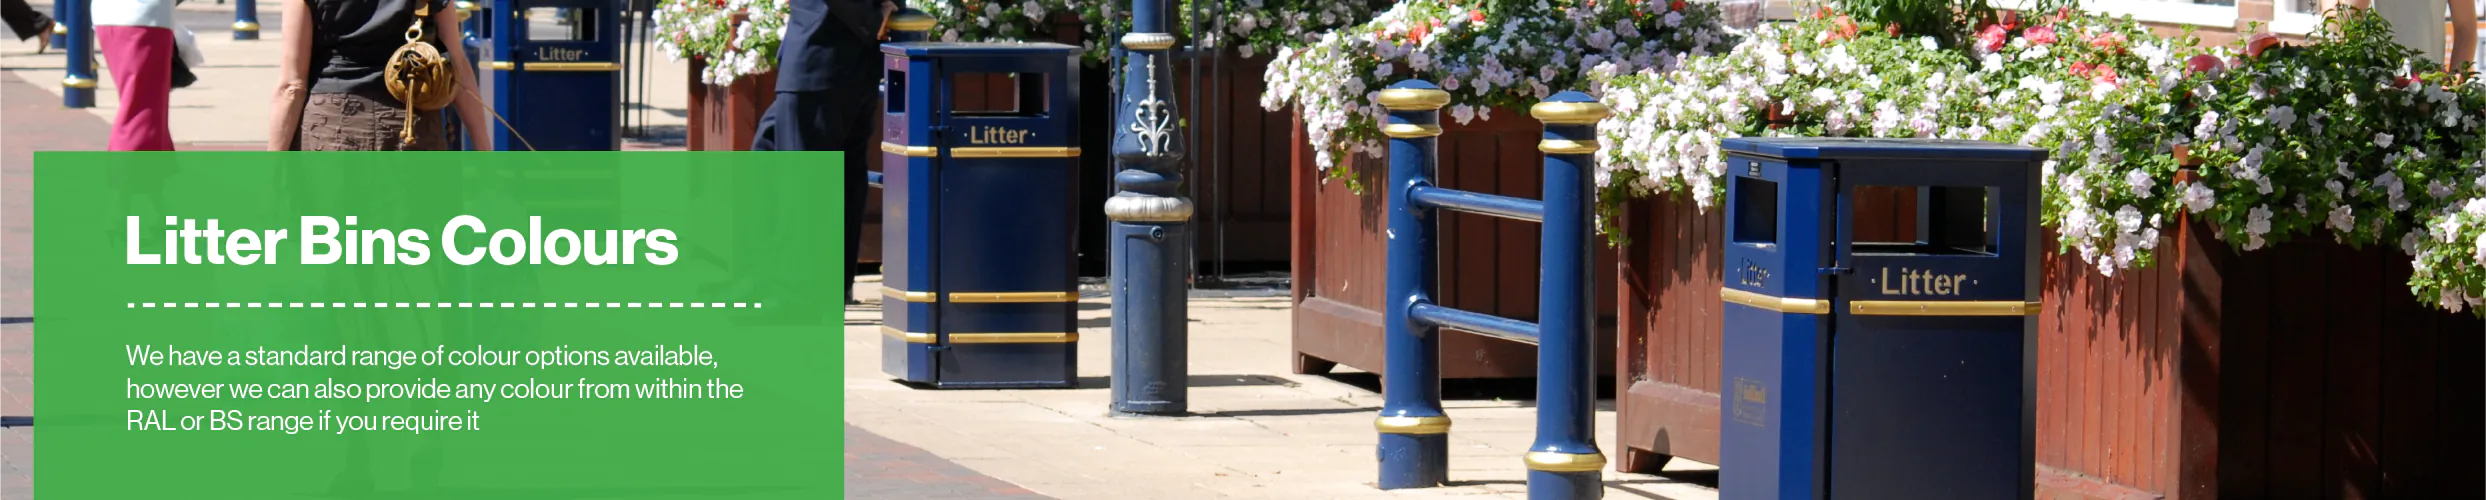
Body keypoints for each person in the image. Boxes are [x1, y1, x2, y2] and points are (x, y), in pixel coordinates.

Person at [752, 0, 894, 304]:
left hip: (819, 62)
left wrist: (876, 17)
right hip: (851, 65)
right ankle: (827, 286)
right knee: (839, 178)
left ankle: (800, 289)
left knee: (808, 181)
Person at [266, 0, 489, 151]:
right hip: (412, 123)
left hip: (333, 125)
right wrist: (483, 150)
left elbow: (292, 86)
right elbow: (456, 65)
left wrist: (273, 175)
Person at [91, 0, 177, 150]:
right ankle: (131, 167)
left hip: (109, 15)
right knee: (142, 109)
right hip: (145, 17)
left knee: (137, 102)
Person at [2342, 0, 2478, 70]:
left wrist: (2454, 90)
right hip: (2377, 89)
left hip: (2430, 89)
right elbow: (2350, 24)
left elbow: (2465, 30)